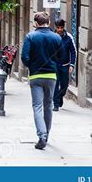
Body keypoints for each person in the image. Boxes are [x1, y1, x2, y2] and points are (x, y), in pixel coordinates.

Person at [21, 11, 61, 150]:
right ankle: (47, 135)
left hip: (35, 76)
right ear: (48, 23)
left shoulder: (30, 37)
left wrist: (32, 67)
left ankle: (41, 136)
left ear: (36, 23)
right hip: (51, 77)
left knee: (37, 107)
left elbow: (24, 57)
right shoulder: (56, 38)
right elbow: (61, 58)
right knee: (48, 106)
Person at [53, 19, 77, 111]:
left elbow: (73, 51)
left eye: (61, 27)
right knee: (55, 84)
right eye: (58, 27)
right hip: (54, 65)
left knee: (64, 85)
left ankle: (60, 96)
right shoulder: (52, 37)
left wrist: (72, 64)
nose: (60, 29)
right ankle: (56, 104)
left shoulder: (69, 37)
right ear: (56, 27)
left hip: (65, 65)